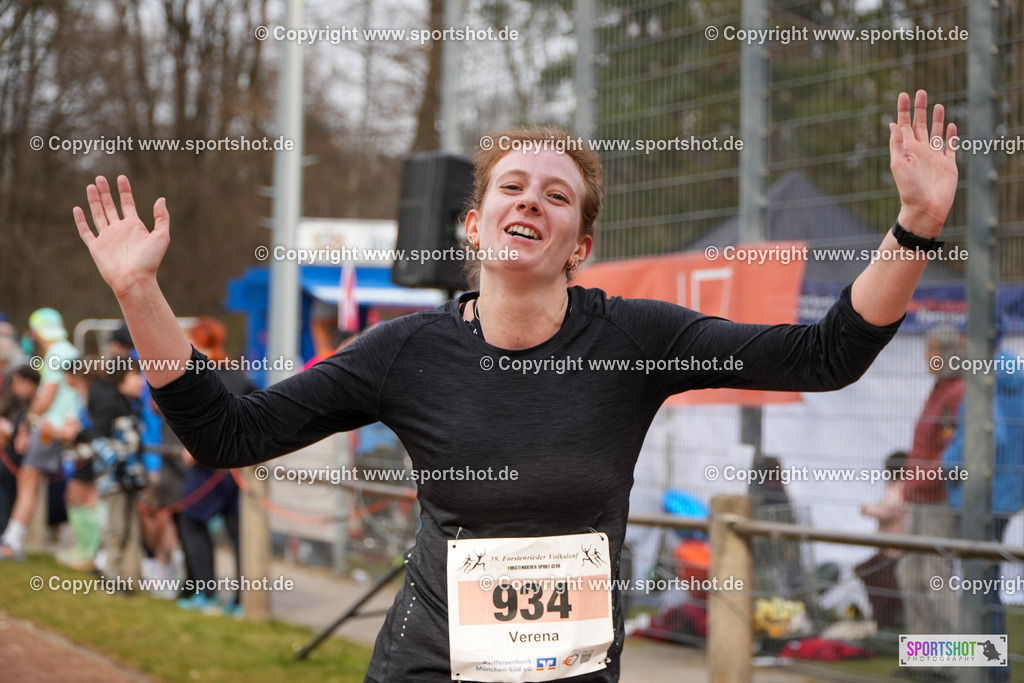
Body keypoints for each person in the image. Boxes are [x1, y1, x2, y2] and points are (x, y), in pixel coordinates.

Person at [74, 90, 957, 681]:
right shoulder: (404, 352)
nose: (531, 200)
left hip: (570, 672)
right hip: (428, 663)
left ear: (581, 243)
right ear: (475, 220)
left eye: (558, 196)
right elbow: (227, 435)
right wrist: (141, 296)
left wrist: (914, 228)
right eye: (512, 186)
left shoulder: (635, 337)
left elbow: (825, 356)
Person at [174, 317, 255, 616]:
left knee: (191, 521)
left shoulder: (201, 373)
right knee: (238, 534)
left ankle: (206, 592)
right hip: (237, 467)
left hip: (209, 466)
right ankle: (241, 600)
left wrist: (195, 446)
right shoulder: (238, 374)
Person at [943, 350, 1024, 646]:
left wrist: (950, 464)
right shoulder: (1019, 387)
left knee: (979, 586)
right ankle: (990, 665)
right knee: (986, 583)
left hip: (981, 497)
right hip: (1008, 497)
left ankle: (985, 667)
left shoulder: (984, 385)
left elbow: (990, 435)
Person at [897, 326, 964, 645]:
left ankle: (962, 662)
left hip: (940, 499)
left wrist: (916, 480)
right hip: (922, 498)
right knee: (910, 575)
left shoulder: (957, 392)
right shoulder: (940, 387)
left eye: (931, 350)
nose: (926, 356)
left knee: (936, 579)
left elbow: (954, 454)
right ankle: (925, 658)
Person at [0, 308, 82, 560]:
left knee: (28, 481)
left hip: (49, 428)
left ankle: (12, 543)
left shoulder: (57, 353)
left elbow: (47, 396)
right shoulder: (71, 350)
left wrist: (26, 422)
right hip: (64, 427)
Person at [855, 451, 908, 630]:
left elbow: (889, 511)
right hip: (889, 548)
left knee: (888, 589)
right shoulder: (897, 487)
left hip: (894, 550)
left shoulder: (900, 488)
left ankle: (891, 624)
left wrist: (867, 509)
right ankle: (888, 623)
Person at [0, 365, 41, 535]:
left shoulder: (37, 406)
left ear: (30, 384)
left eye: (18, 383)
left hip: (16, 462)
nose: (14, 387)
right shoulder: (16, 403)